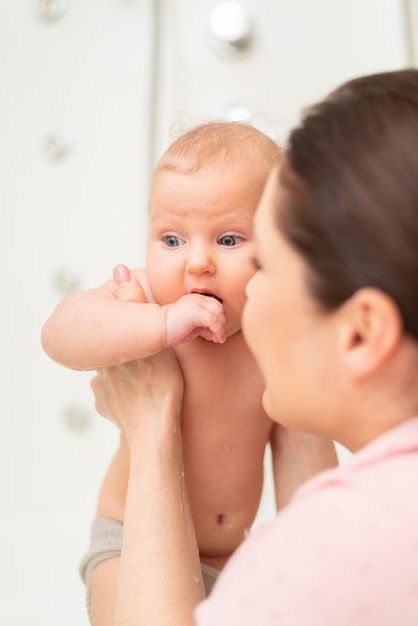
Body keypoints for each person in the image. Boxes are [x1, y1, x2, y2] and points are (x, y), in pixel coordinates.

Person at [89, 68, 418, 625]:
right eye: (173, 239)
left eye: (263, 263)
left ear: (361, 332)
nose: (236, 287)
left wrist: (150, 427)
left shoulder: (330, 557)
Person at [41, 121, 337, 625]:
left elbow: (306, 489)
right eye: (172, 239)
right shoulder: (148, 304)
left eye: (227, 238)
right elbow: (59, 333)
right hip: (128, 541)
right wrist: (156, 324)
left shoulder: (272, 339)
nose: (196, 263)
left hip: (232, 553)